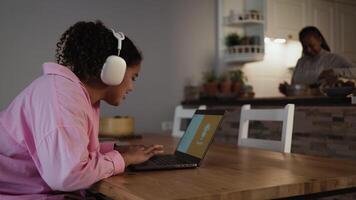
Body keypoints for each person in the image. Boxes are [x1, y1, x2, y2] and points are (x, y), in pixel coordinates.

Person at [0, 21, 163, 199]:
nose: (131, 87)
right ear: (114, 70)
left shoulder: (70, 93)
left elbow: (68, 151)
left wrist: (114, 151)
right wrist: (123, 160)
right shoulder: (62, 98)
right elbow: (68, 176)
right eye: (133, 77)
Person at [280, 26, 356, 94]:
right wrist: (288, 89)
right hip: (302, 104)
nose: (308, 50)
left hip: (326, 104)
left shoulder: (334, 58)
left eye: (311, 45)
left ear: (320, 40)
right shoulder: (301, 62)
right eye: (305, 46)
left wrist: (334, 71)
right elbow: (295, 84)